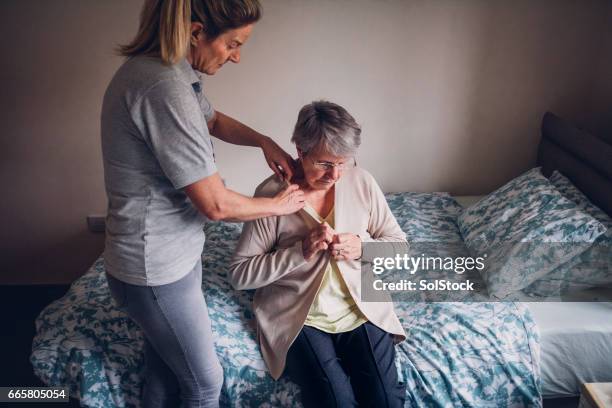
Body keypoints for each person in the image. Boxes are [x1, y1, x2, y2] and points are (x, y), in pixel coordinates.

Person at [100, 1, 305, 407]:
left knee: (165, 368)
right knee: (205, 384)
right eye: (232, 44)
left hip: (167, 255)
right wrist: (279, 206)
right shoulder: (162, 87)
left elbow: (209, 120)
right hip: (154, 267)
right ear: (196, 33)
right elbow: (214, 204)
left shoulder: (173, 73)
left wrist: (262, 140)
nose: (237, 56)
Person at [229, 101, 407, 407]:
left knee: (386, 399)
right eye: (324, 163)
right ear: (300, 150)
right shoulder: (274, 195)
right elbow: (239, 274)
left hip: (361, 307)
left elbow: (400, 247)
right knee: (336, 401)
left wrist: (362, 247)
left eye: (343, 162)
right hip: (300, 316)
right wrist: (301, 252)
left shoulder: (362, 181)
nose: (335, 174)